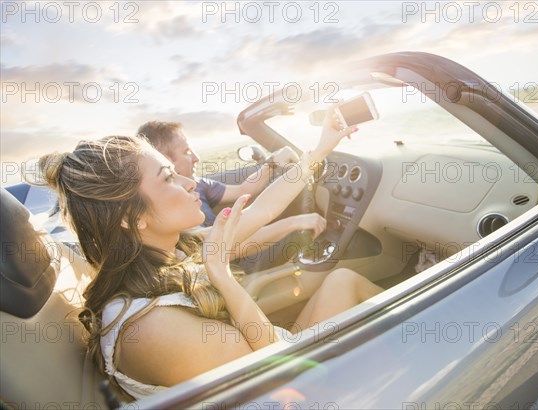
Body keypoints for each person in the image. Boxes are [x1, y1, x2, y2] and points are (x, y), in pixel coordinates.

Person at [37, 111, 383, 400]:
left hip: (271, 355)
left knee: (342, 280)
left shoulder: (171, 250)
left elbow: (262, 210)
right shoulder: (150, 330)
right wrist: (224, 278)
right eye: (168, 177)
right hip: (283, 381)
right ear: (131, 218)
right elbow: (279, 381)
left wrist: (320, 150)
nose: (190, 182)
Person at [137, 121, 326, 267]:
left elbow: (245, 191)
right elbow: (221, 248)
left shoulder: (199, 184)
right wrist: (293, 223)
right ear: (163, 159)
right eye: (187, 152)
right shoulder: (167, 213)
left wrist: (273, 163)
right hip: (234, 265)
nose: (196, 158)